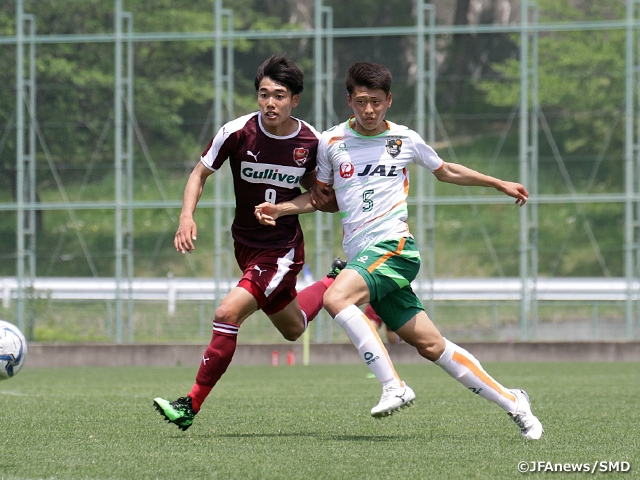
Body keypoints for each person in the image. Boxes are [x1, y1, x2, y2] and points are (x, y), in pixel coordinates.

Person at [255, 61, 543, 439]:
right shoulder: (331, 142)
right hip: (365, 258)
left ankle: (394, 386)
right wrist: (282, 208)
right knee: (431, 345)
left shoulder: (404, 139)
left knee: (337, 297)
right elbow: (320, 197)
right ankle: (514, 402)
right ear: (350, 101)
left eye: (376, 102)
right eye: (361, 102)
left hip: (395, 247)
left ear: (389, 100)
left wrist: (497, 182)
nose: (369, 110)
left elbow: (446, 170)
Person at [153, 55, 408, 431]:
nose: (270, 103)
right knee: (292, 327)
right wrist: (186, 217)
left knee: (227, 314)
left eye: (279, 95)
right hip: (245, 244)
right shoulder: (237, 132)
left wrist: (288, 207)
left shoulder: (310, 142)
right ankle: (330, 281)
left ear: (295, 100)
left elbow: (324, 198)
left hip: (282, 249)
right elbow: (199, 173)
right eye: (263, 94)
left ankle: (190, 404)